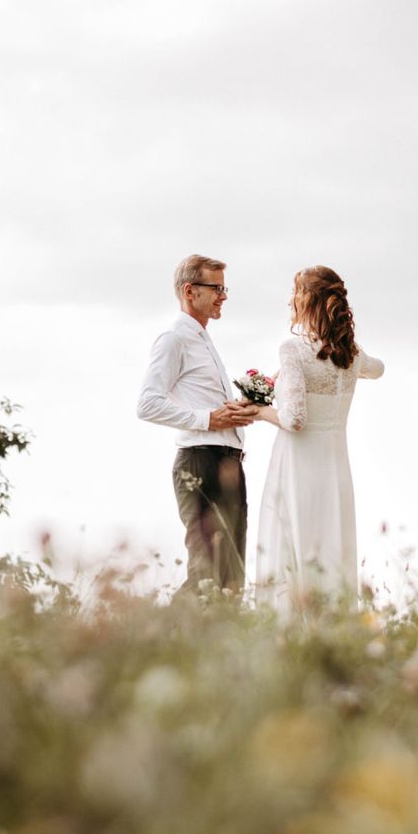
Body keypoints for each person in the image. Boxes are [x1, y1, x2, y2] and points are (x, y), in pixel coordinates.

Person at [253, 265, 385, 610]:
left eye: (295, 293)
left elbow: (294, 419)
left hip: (298, 467)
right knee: (331, 552)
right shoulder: (352, 354)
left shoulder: (293, 350)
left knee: (292, 552)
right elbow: (379, 368)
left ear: (309, 300)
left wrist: (256, 411)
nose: (290, 301)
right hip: (335, 468)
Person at [138, 254, 259, 594]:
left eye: (225, 288)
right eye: (216, 288)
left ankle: (220, 647)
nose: (223, 296)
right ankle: (156, 642)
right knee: (207, 574)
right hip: (199, 462)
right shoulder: (173, 339)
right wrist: (207, 419)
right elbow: (147, 404)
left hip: (229, 463)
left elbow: (207, 404)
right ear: (190, 291)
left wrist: (237, 412)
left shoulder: (205, 340)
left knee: (232, 578)